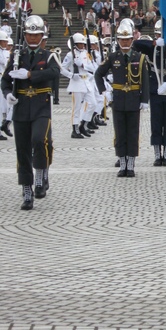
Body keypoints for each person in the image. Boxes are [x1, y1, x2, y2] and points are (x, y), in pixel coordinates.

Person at [0, 14, 60, 210]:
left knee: (39, 140)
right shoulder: (17, 56)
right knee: (22, 149)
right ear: (24, 35)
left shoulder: (48, 55)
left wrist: (29, 74)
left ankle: (40, 174)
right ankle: (27, 190)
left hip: (41, 105)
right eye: (29, 34)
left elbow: (54, 73)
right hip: (21, 106)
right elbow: (5, 80)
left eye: (36, 35)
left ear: (42, 36)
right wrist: (8, 94)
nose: (32, 38)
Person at [95, 18, 150, 177]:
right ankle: (122, 163)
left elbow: (145, 80)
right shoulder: (113, 57)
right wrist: (104, 91)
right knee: (120, 132)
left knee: (132, 132)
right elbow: (98, 74)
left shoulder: (139, 57)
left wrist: (144, 100)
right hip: (118, 99)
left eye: (127, 39)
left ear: (132, 39)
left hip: (134, 98)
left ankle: (130, 164)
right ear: (118, 40)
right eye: (122, 39)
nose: (125, 42)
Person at [133, 20, 166, 166]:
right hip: (155, 88)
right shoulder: (152, 48)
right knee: (156, 122)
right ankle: (157, 154)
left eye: (162, 35)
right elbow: (136, 44)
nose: (159, 37)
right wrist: (155, 43)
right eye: (157, 35)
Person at [61, 32, 97, 139]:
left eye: (83, 44)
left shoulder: (86, 54)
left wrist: (82, 65)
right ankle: (75, 129)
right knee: (76, 108)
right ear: (75, 44)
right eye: (80, 44)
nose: (82, 45)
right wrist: (71, 75)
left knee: (93, 104)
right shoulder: (70, 55)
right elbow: (62, 69)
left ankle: (83, 125)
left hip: (86, 81)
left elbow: (92, 68)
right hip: (76, 82)